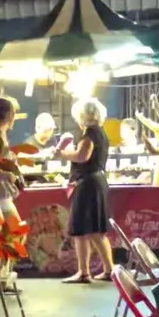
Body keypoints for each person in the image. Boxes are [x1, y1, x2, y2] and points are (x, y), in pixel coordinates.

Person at [56, 98, 114, 284]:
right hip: (96, 182)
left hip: (87, 184)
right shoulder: (100, 132)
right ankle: (108, 270)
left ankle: (83, 272)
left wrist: (63, 153)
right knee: (96, 231)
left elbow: (82, 156)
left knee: (81, 230)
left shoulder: (90, 133)